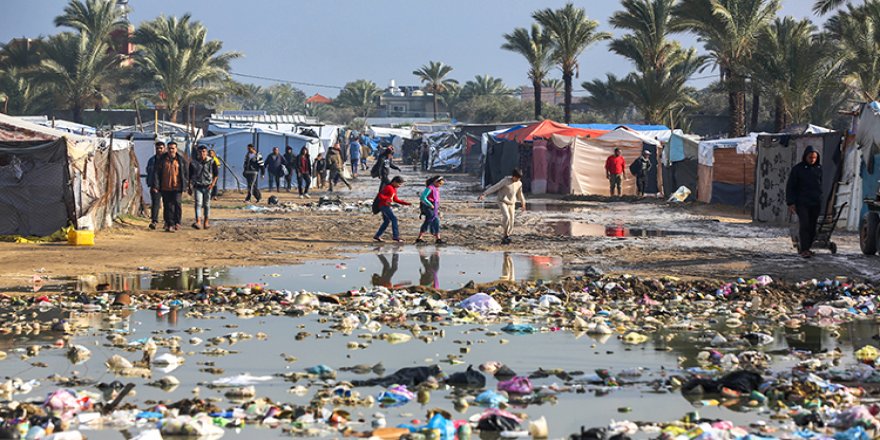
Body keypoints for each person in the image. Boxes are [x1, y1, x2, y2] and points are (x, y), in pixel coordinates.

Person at [786, 146, 823, 258]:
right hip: (802, 203)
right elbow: (790, 186)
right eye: (810, 157)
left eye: (814, 157)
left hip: (815, 202)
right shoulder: (798, 169)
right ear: (805, 156)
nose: (812, 159)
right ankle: (804, 249)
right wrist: (791, 203)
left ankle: (808, 247)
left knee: (812, 226)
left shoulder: (819, 169)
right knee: (804, 225)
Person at [479, 168, 527, 244]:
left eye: (519, 178)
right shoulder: (505, 181)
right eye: (516, 178)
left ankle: (507, 236)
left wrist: (523, 203)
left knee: (511, 222)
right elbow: (495, 187)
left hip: (512, 203)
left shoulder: (519, 183)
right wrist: (484, 194)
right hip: (502, 201)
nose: (517, 179)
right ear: (513, 176)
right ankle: (505, 235)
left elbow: (520, 194)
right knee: (506, 217)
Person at [153, 141, 188, 232]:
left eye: (173, 148)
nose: (171, 150)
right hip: (165, 186)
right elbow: (156, 173)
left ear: (176, 149)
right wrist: (156, 185)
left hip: (177, 186)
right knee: (168, 206)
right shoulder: (162, 160)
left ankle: (177, 222)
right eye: (169, 148)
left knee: (177, 203)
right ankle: (169, 223)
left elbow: (185, 173)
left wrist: (187, 185)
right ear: (167, 149)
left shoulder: (181, 160)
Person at [188, 145, 219, 229]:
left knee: (207, 204)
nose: (202, 153)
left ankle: (206, 222)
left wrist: (213, 184)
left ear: (206, 152)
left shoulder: (212, 161)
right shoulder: (193, 162)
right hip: (197, 186)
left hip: (208, 186)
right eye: (200, 152)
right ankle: (198, 221)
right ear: (197, 152)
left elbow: (216, 174)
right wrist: (189, 186)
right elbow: (189, 175)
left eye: (204, 151)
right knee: (198, 203)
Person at [374, 176, 410, 242]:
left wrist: (406, 203)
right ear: (394, 182)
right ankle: (396, 236)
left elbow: (395, 199)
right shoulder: (388, 187)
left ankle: (377, 235)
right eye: (399, 184)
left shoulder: (394, 189)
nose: (399, 186)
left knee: (386, 221)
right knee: (394, 219)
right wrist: (386, 200)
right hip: (383, 206)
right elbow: (380, 195)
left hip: (387, 206)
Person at [416, 176, 445, 244]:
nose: (440, 185)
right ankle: (437, 238)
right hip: (428, 206)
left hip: (433, 206)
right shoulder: (430, 188)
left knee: (432, 221)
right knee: (432, 220)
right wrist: (430, 204)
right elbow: (423, 197)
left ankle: (437, 238)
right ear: (435, 182)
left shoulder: (436, 188)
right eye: (440, 183)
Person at [146, 141, 165, 229]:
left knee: (168, 204)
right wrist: (151, 184)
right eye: (157, 148)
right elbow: (149, 172)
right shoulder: (152, 160)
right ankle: (154, 221)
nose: (159, 150)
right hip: (154, 185)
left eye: (161, 148)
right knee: (155, 204)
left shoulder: (167, 160)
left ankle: (167, 221)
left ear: (164, 149)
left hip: (166, 185)